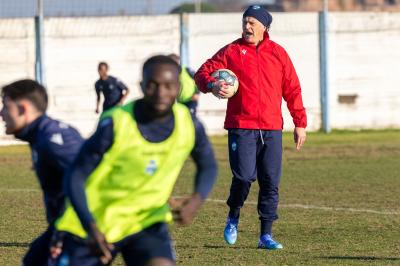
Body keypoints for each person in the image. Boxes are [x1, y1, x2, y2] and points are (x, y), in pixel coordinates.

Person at [52, 55, 218, 265]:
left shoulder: (189, 124)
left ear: (179, 87)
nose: (161, 93)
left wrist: (196, 199)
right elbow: (75, 175)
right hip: (98, 221)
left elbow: (209, 165)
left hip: (146, 220)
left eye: (168, 86)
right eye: (152, 85)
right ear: (141, 85)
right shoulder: (116, 123)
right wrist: (90, 226)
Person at [194, 5, 307, 250]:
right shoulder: (232, 51)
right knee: (244, 177)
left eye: (253, 23)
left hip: (271, 129)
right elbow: (203, 73)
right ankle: (233, 216)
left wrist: (300, 123)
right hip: (241, 126)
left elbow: (293, 89)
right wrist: (212, 85)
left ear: (265, 27)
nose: (247, 27)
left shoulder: (278, 53)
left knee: (270, 181)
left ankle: (265, 235)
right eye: (245, 22)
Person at [0, 79, 83, 265]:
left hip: (81, 229)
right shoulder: (40, 135)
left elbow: (90, 185)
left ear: (23, 109)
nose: (1, 113)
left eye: (5, 106)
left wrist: (65, 233)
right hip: (63, 225)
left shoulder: (53, 141)